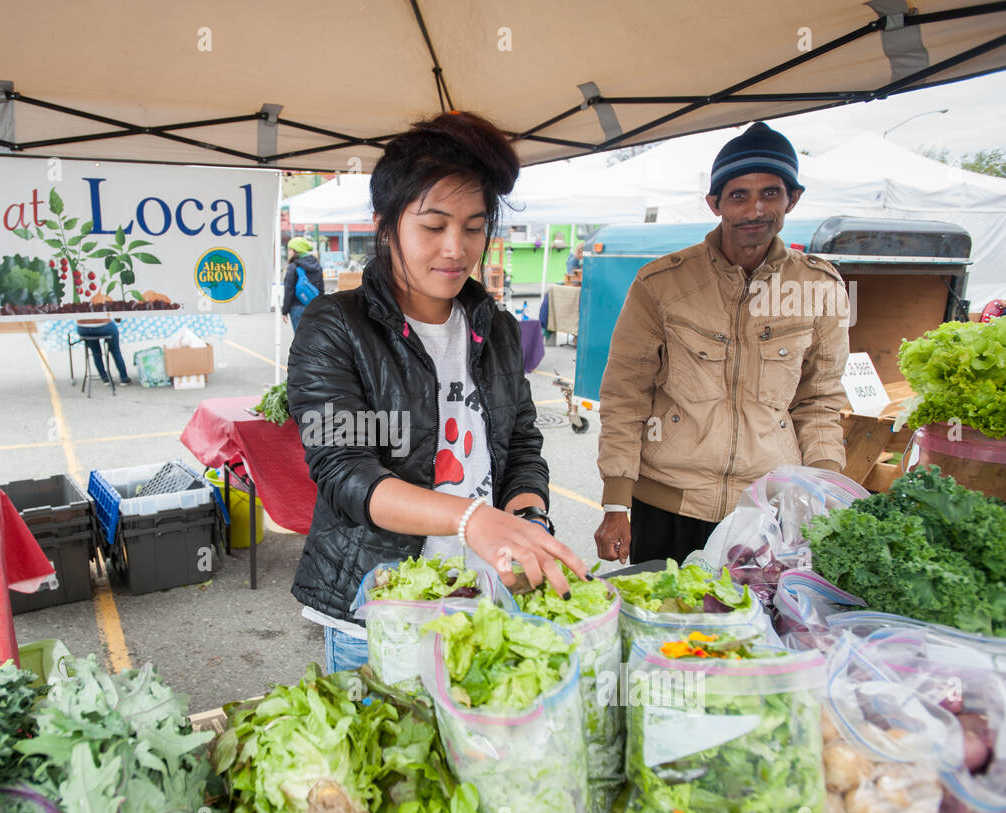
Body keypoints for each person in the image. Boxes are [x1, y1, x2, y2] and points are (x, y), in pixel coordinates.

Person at [287, 111, 590, 673]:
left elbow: (521, 442)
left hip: (483, 597)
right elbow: (345, 470)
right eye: (433, 225)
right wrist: (471, 518)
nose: (455, 248)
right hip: (380, 613)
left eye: (474, 227)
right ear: (386, 222)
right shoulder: (336, 325)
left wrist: (528, 518)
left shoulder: (493, 325)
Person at [594, 122, 849, 566]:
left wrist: (821, 491)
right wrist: (617, 502)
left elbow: (820, 400)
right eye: (738, 195)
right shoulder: (662, 283)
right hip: (669, 505)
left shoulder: (819, 286)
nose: (755, 209)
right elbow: (625, 395)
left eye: (771, 193)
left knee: (753, 631)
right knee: (663, 626)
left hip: (766, 509)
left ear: (793, 198)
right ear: (715, 203)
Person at [282, 236, 324, 333]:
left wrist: (285, 310)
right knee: (312, 338)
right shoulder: (317, 265)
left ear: (296, 250)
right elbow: (321, 289)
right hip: (314, 307)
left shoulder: (293, 266)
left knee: (300, 339)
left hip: (297, 307)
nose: (289, 252)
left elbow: (289, 290)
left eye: (290, 250)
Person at [74, 317, 130, 385]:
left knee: (96, 352)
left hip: (83, 328)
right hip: (104, 326)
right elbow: (117, 318)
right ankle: (124, 378)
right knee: (115, 351)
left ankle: (105, 378)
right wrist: (117, 318)